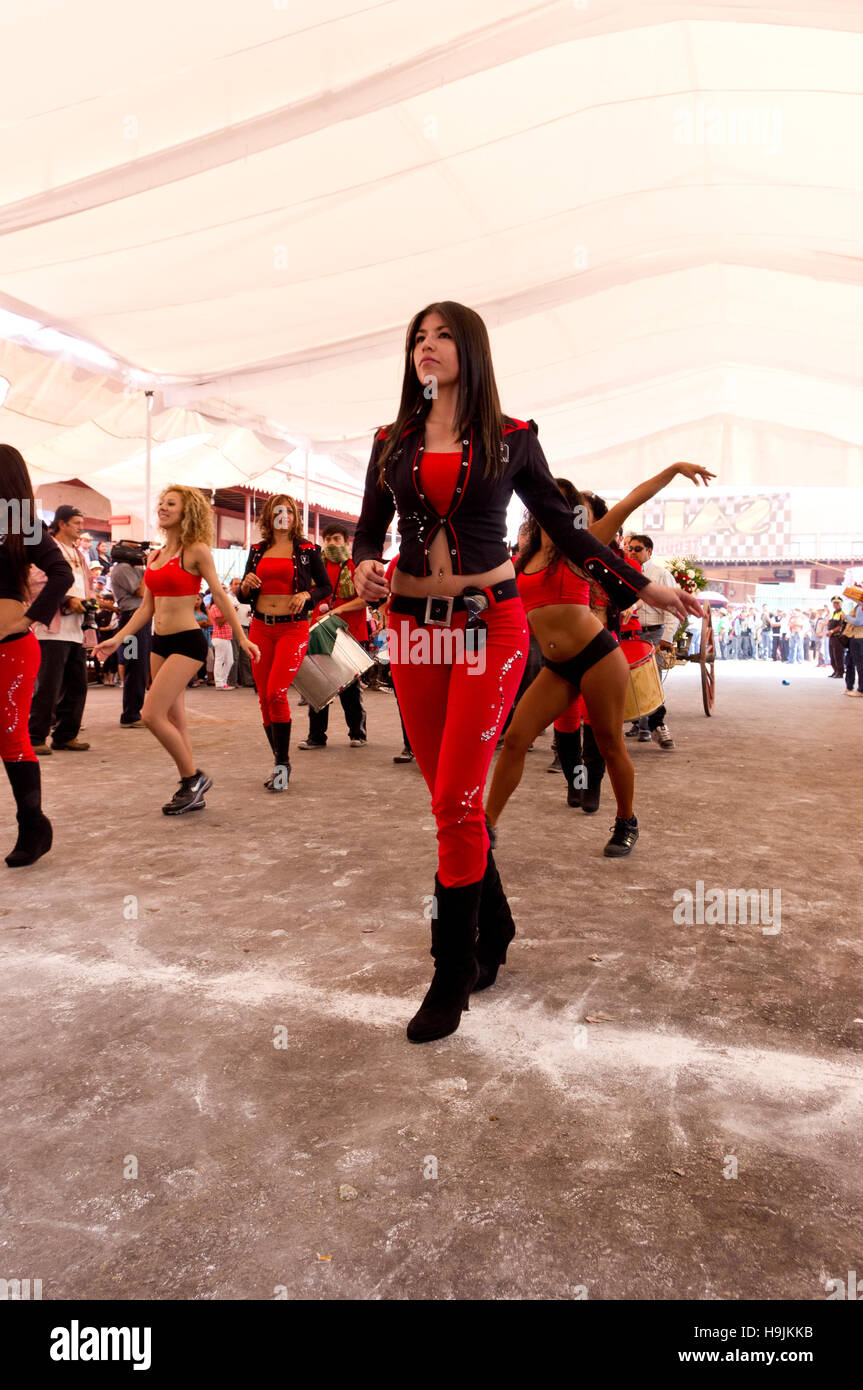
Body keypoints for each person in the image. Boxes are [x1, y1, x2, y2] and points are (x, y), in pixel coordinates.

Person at [352, 299, 701, 1044]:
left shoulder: (511, 439)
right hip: (412, 627)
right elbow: (368, 529)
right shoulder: (391, 441)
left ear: (469, 352)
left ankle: (451, 973)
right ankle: (496, 925)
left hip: (490, 627)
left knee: (454, 798)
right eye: (419, 337)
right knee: (450, 801)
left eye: (443, 336)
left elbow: (571, 532)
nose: (428, 347)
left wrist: (642, 586)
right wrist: (360, 570)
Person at [488, 463, 713, 853]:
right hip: (558, 667)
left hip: (598, 657)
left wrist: (674, 470)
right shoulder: (521, 559)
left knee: (610, 745)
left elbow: (630, 502)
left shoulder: (582, 544)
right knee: (516, 740)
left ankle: (626, 821)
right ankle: (485, 827)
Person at [94, 486, 260, 814]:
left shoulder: (195, 550)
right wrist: (119, 638)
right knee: (175, 719)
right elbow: (146, 609)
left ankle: (192, 778)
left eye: (171, 504)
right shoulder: (154, 556)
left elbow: (221, 595)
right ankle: (191, 789)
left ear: (187, 512)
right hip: (160, 642)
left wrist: (241, 637)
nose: (163, 508)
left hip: (187, 642)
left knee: (150, 714)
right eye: (161, 503)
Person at [0, 446, 74, 866]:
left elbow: (61, 573)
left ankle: (33, 825)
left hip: (11, 647)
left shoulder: (20, 523)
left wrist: (27, 619)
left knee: (12, 737)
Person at [237, 493, 331, 792]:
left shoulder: (307, 549)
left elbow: (325, 587)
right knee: (264, 696)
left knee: (277, 692)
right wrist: (243, 586)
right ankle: (281, 762)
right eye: (278, 511)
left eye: (289, 512)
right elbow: (242, 595)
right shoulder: (256, 550)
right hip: (260, 628)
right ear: (269, 516)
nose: (284, 516)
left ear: (294, 516)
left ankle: (281, 765)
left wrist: (308, 595)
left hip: (293, 629)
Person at [28, 504, 98, 755]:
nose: (81, 527)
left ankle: (66, 735)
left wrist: (90, 601)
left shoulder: (79, 553)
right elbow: (36, 581)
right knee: (48, 684)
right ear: (62, 523)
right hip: (51, 629)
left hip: (77, 629)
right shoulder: (47, 548)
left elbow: (88, 584)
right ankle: (35, 736)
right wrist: (67, 600)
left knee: (77, 684)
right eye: (77, 523)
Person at [299, 524, 369, 749]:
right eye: (327, 539)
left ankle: (357, 733)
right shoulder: (315, 568)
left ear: (346, 542)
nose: (331, 543)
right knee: (317, 685)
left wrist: (337, 610)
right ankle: (316, 736)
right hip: (319, 633)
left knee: (349, 687)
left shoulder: (355, 567)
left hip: (348, 634)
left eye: (337, 539)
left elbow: (366, 599)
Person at [624, 534, 676, 748]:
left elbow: (672, 606)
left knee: (651, 678)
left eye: (637, 548)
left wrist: (667, 637)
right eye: (629, 548)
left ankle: (655, 725)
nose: (632, 552)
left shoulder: (661, 574)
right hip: (630, 632)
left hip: (653, 631)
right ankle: (640, 724)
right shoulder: (624, 570)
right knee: (631, 678)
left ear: (649, 551)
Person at [108, 547, 151, 725]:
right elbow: (141, 591)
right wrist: (150, 569)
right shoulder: (122, 568)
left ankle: (134, 712)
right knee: (135, 665)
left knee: (140, 666)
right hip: (132, 618)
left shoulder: (131, 568)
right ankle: (131, 714)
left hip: (140, 618)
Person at [208, 598, 235, 689]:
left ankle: (223, 682)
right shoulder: (215, 607)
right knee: (220, 660)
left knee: (230, 661)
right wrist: (230, 612)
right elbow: (219, 622)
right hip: (219, 637)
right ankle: (219, 683)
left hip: (226, 637)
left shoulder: (223, 607)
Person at [842, 596, 863, 697]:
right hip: (856, 637)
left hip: (858, 637)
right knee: (851, 662)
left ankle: (861, 690)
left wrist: (846, 617)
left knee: (859, 664)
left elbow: (859, 622)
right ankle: (850, 687)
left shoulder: (860, 607)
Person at [827, 597, 847, 678]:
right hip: (831, 637)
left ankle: (840, 672)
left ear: (841, 604)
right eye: (834, 603)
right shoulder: (833, 613)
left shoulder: (842, 614)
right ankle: (835, 670)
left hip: (838, 637)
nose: (836, 604)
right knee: (832, 655)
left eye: (838, 603)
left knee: (838, 655)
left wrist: (831, 631)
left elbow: (840, 626)